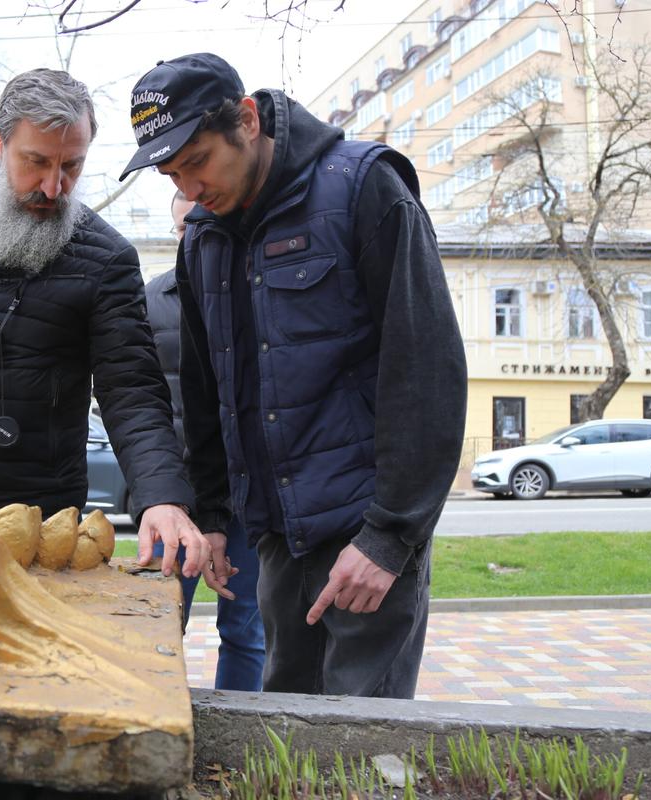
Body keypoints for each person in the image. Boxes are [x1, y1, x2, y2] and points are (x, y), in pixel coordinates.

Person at [121, 53, 466, 698]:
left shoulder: (364, 187)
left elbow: (428, 372)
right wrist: (217, 514)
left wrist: (390, 540)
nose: (189, 190)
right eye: (172, 175)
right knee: (286, 731)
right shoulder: (203, 237)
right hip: (275, 539)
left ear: (246, 120)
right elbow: (207, 391)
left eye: (196, 162)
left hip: (365, 535)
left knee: (363, 747)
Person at [0, 68, 227, 588]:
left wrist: (161, 496)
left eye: (71, 166)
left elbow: (132, 391)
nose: (54, 186)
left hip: (31, 523)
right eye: (36, 162)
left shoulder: (107, 258)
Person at [145, 190, 265, 691]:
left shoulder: (252, 290)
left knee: (245, 626)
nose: (192, 237)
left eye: (202, 225)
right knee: (157, 623)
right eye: (182, 229)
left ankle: (242, 735)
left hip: (246, 491)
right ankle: (155, 716)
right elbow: (137, 396)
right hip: (177, 491)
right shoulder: (151, 301)